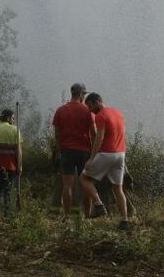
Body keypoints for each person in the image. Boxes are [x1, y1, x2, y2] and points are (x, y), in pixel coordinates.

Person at [78, 93, 132, 230]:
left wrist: (91, 158)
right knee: (117, 188)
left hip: (107, 153)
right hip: (121, 154)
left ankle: (98, 204)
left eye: (90, 106)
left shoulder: (101, 116)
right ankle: (125, 220)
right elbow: (121, 132)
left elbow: (99, 137)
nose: (89, 110)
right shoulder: (118, 113)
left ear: (97, 102)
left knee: (84, 178)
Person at [51, 83, 96, 217]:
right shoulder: (88, 111)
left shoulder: (60, 110)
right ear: (81, 94)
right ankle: (87, 216)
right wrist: (94, 151)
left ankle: (67, 216)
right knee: (86, 184)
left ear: (72, 93)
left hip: (67, 151)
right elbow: (93, 132)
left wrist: (60, 148)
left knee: (67, 185)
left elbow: (57, 133)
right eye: (84, 95)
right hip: (84, 152)